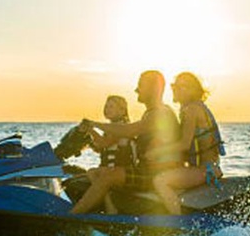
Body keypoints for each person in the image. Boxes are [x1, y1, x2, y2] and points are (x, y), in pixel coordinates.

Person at [70, 70, 180, 214]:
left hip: (157, 172)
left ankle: (74, 216)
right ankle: (110, 212)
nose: (136, 90)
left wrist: (94, 125)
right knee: (94, 173)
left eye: (141, 85)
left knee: (107, 177)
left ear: (154, 88)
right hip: (145, 169)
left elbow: (129, 130)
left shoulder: (160, 113)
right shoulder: (150, 113)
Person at [149, 72, 225, 215]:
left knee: (160, 181)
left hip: (205, 170)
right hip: (209, 168)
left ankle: (178, 223)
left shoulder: (192, 110)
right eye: (174, 85)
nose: (175, 89)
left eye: (180, 86)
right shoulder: (196, 107)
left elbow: (184, 144)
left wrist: (157, 152)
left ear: (192, 90)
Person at [83, 95, 134, 214]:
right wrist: (88, 141)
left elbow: (104, 143)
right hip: (109, 168)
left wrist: (91, 129)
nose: (107, 109)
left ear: (122, 111)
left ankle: (110, 207)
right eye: (106, 106)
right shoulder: (111, 128)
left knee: (91, 173)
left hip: (119, 170)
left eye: (111, 106)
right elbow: (102, 148)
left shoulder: (121, 127)